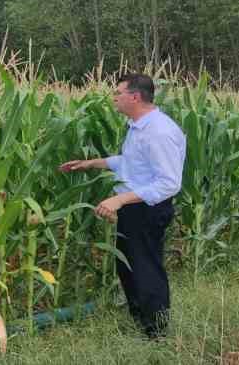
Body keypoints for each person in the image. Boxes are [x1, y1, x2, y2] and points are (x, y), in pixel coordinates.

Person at [59, 73, 186, 339]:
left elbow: (168, 184)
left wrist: (119, 199)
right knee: (128, 267)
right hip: (133, 208)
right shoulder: (139, 126)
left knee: (145, 269)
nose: (113, 98)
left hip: (147, 210)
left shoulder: (159, 132)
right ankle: (140, 320)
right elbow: (131, 162)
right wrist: (91, 163)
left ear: (135, 97)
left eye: (118, 93)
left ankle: (157, 334)